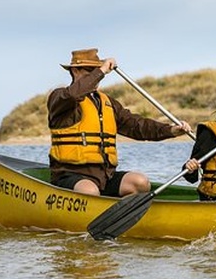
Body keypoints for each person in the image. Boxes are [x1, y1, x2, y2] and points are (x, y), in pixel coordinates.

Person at [48, 48, 193, 197]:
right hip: (71, 175)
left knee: (140, 182)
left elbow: (136, 125)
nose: (96, 76)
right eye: (90, 71)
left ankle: (123, 216)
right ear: (75, 71)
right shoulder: (61, 97)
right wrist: (102, 70)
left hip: (105, 176)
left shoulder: (108, 103)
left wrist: (170, 130)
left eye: (96, 70)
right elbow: (73, 95)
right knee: (89, 191)